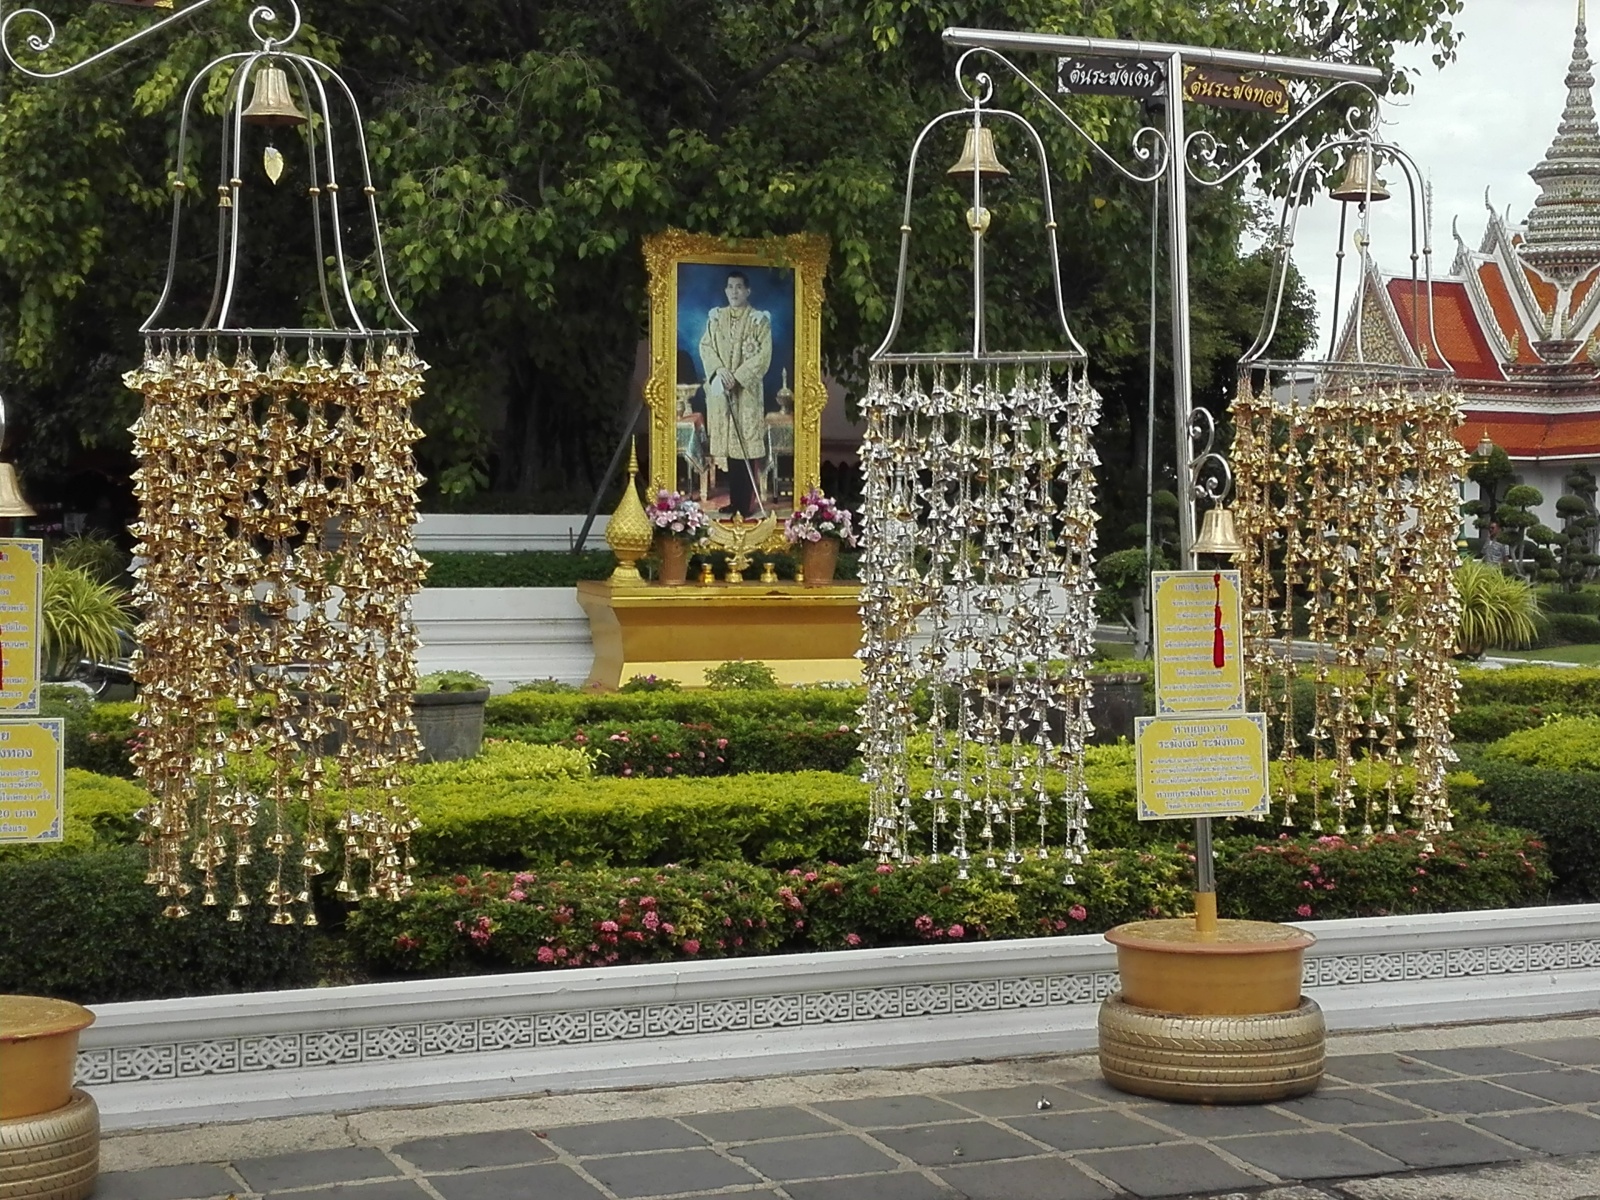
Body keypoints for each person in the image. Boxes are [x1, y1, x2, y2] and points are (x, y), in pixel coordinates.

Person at [699, 271, 771, 517]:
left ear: (747, 291)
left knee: (744, 448)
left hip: (746, 394)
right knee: (730, 450)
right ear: (725, 290)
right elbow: (706, 346)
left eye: (739, 287)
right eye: (730, 287)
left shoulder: (759, 320)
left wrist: (737, 377)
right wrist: (719, 371)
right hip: (723, 391)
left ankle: (745, 504)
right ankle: (734, 501)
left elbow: (763, 356)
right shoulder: (716, 318)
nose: (734, 291)